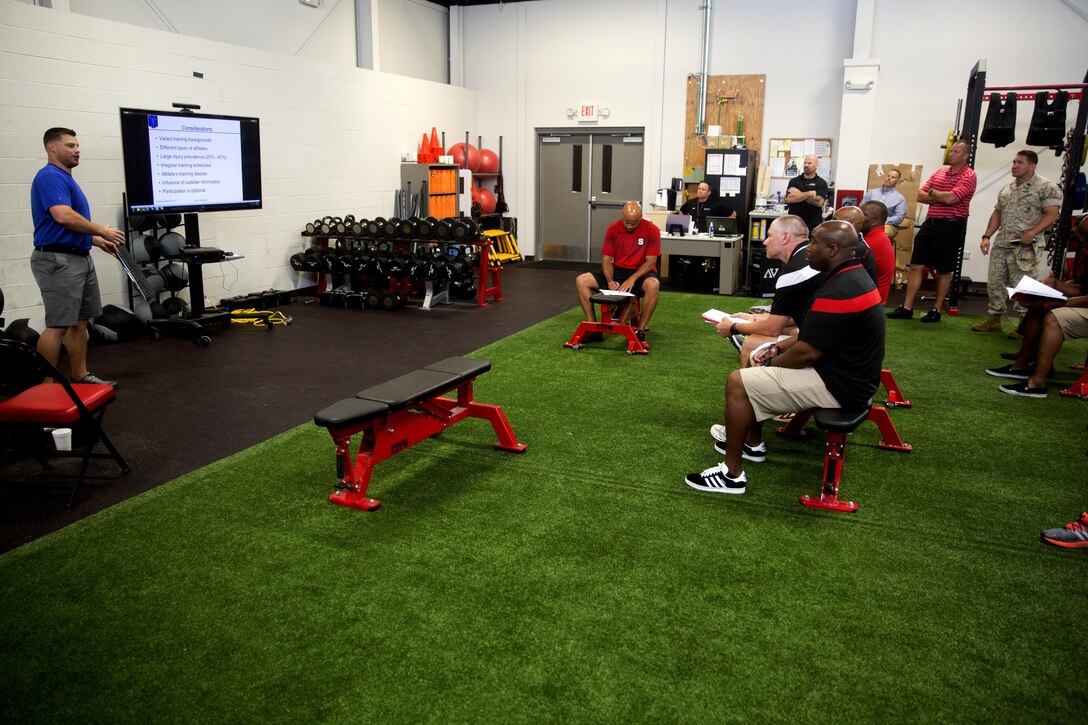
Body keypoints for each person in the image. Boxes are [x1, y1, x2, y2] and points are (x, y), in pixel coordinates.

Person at [687, 221, 884, 494]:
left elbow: (807, 352)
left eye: (814, 243)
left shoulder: (838, 289)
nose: (809, 249)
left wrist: (770, 362)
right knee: (755, 366)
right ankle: (751, 444)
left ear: (833, 249)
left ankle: (732, 475)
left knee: (738, 381)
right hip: (847, 374)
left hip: (840, 385)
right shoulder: (852, 277)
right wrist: (778, 349)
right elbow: (815, 336)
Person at [30, 127, 125, 386]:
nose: (77, 150)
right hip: (57, 261)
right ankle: (45, 388)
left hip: (77, 256)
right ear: (53, 148)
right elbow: (64, 216)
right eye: (70, 146)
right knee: (58, 326)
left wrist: (96, 240)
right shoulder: (50, 176)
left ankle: (80, 375)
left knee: (80, 322)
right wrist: (101, 230)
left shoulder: (65, 178)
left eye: (77, 145)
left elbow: (63, 227)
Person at [986, 215, 1088, 398]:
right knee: (1038, 306)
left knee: (1054, 317)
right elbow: (1083, 285)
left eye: (1083, 234)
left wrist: (1060, 302)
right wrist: (1054, 284)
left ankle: (1037, 383)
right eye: (1078, 234)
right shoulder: (1086, 250)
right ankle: (1022, 365)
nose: (1079, 238)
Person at [971, 150, 1062, 333]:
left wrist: (1032, 232)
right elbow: (997, 212)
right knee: (995, 282)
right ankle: (994, 319)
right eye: (1014, 161)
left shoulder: (1046, 187)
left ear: (1032, 166)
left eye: (1019, 162)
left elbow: (1052, 214)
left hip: (1025, 247)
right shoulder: (1008, 188)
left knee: (1023, 286)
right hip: (1002, 243)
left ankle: (1025, 326)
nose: (1014, 165)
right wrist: (987, 236)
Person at [887, 140, 977, 324]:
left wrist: (935, 193)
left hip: (951, 226)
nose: (951, 154)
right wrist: (940, 195)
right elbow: (919, 195)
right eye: (951, 151)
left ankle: (935, 310)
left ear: (966, 155)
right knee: (916, 266)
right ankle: (907, 307)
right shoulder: (940, 172)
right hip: (930, 224)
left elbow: (951, 198)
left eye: (956, 151)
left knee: (944, 270)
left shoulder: (969, 175)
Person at [716, 215, 821, 370]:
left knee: (751, 344)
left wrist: (733, 327)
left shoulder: (792, 272)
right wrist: (753, 318)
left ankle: (752, 387)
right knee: (777, 326)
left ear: (785, 237)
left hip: (823, 343)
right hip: (828, 330)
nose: (765, 241)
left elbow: (772, 329)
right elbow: (795, 314)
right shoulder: (810, 257)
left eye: (770, 235)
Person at [574, 201, 661, 344]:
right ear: (622, 215)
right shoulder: (613, 229)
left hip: (641, 273)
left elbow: (651, 262)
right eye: (627, 222)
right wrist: (609, 280)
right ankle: (593, 329)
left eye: (634, 224)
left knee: (653, 285)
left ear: (641, 217)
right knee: (581, 280)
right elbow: (607, 259)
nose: (629, 226)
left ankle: (640, 330)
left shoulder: (652, 230)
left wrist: (632, 279)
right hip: (619, 271)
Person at [861, 200, 895, 304]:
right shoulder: (877, 236)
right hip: (872, 296)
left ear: (875, 221)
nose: (858, 217)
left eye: (863, 214)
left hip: (870, 301)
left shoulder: (874, 241)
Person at [785, 154, 829, 232]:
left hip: (813, 226)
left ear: (816, 165)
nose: (806, 165)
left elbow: (819, 202)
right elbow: (790, 199)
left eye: (809, 163)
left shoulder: (821, 183)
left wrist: (798, 194)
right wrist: (809, 193)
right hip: (794, 225)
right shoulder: (794, 181)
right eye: (805, 163)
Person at [861, 167, 907, 236]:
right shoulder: (871, 193)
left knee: (880, 234)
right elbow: (861, 208)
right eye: (888, 176)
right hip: (868, 222)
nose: (889, 178)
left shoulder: (900, 199)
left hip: (887, 224)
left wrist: (881, 222)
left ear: (898, 181)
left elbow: (899, 217)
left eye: (893, 177)